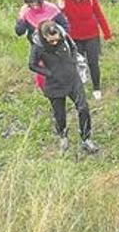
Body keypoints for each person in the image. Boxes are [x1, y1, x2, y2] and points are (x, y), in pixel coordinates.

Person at [28, 20, 100, 154]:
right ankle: (63, 136)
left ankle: (86, 139)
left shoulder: (64, 35)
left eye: (56, 40)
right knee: (59, 114)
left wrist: (72, 61)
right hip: (55, 84)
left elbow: (73, 47)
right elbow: (32, 64)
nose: (54, 43)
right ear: (44, 37)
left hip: (72, 79)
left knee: (83, 107)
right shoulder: (37, 46)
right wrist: (49, 73)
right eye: (51, 41)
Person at [59, 0, 113, 101]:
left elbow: (100, 15)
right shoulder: (64, 1)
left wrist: (107, 33)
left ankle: (96, 88)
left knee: (93, 62)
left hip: (91, 35)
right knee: (78, 63)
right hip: (74, 37)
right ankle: (79, 87)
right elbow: (59, 19)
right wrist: (61, 7)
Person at [15, 0, 69, 90]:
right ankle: (49, 93)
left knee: (60, 71)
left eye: (36, 1)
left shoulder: (52, 9)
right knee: (42, 75)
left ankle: (63, 89)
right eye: (30, 2)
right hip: (38, 49)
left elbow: (65, 26)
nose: (34, 4)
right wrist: (21, 17)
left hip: (56, 47)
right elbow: (19, 32)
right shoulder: (26, 13)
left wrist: (59, 39)